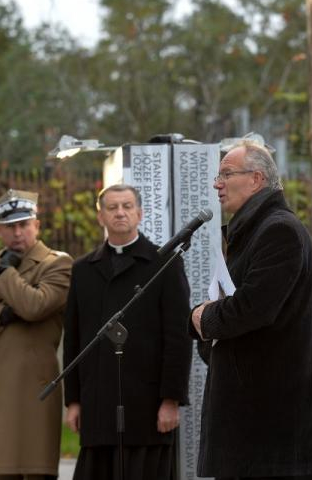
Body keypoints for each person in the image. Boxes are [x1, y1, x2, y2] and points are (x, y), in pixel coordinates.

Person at [190, 139, 312, 478]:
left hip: (268, 423)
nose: (217, 184)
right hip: (251, 418)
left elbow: (253, 308)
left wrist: (202, 319)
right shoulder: (254, 231)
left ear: (257, 179)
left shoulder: (279, 231)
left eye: (226, 174)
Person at [63, 184, 192, 480]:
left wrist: (171, 399)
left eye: (127, 206)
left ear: (140, 213)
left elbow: (178, 337)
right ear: (101, 217)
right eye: (112, 207)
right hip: (98, 405)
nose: (120, 212)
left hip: (147, 407)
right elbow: (73, 338)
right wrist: (73, 400)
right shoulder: (83, 269)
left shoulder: (165, 264)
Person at [0, 189, 73, 479]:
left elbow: (35, 306)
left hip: (31, 387)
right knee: (1, 472)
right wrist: (1, 314)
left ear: (37, 225)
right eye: (10, 227)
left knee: (35, 470)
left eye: (24, 224)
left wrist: (7, 274)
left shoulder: (57, 263)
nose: (18, 233)